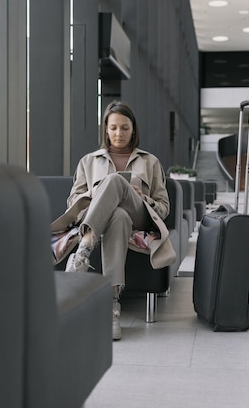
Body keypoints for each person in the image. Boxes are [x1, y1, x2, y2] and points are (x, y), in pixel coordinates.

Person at [56, 100, 175, 340]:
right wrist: (95, 195)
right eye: (113, 128)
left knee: (114, 182)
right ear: (106, 130)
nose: (118, 134)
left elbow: (164, 208)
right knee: (118, 215)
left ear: (133, 130)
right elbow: (73, 203)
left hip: (139, 216)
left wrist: (144, 199)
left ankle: (84, 249)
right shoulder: (88, 162)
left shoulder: (150, 162)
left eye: (124, 128)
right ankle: (112, 306)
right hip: (111, 219)